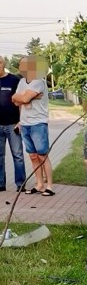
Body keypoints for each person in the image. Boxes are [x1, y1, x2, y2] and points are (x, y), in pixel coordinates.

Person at [12, 55, 54, 196]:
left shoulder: (38, 81)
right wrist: (25, 98)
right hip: (25, 123)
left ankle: (49, 186)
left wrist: (24, 98)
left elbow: (21, 98)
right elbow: (15, 100)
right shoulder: (22, 82)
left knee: (42, 155)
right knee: (33, 156)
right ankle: (39, 184)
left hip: (38, 123)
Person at [0, 56, 27, 195]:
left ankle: (21, 184)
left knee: (18, 155)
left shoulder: (14, 80)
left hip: (13, 124)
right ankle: (1, 184)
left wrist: (21, 120)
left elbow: (22, 101)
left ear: (3, 64)